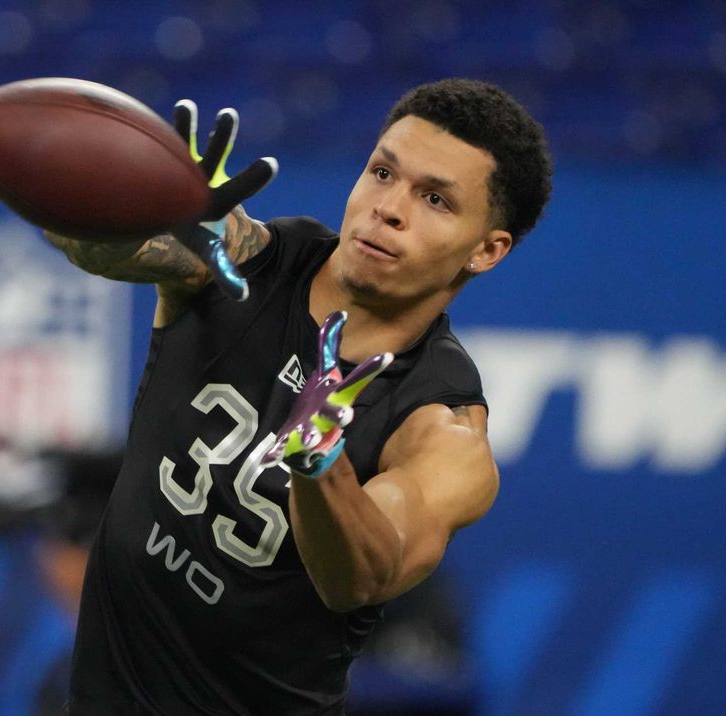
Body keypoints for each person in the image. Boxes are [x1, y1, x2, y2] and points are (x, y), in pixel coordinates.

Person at [44, 78, 552, 715]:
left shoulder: (439, 430)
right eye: (383, 172)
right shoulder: (244, 261)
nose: (388, 208)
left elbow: (363, 576)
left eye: (434, 199)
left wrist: (321, 461)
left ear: (487, 249)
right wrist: (129, 211)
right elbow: (97, 249)